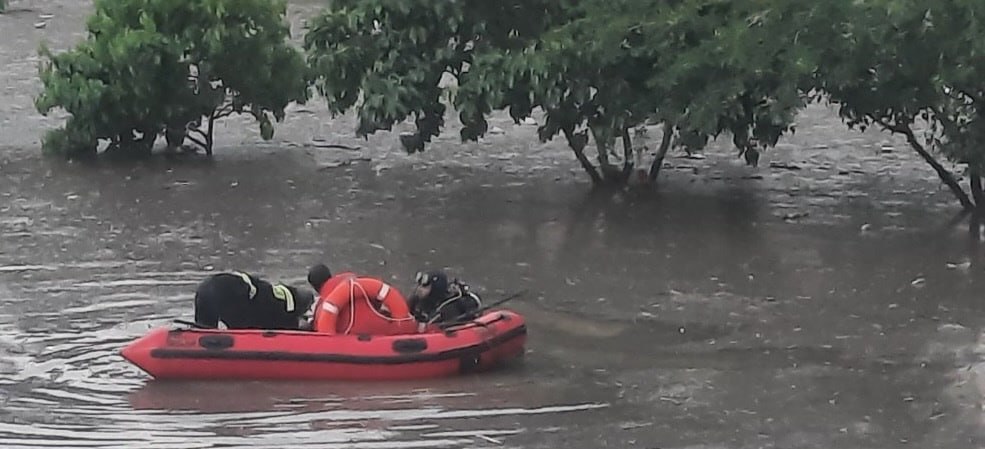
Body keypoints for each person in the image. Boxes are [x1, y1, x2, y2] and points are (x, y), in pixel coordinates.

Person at [305, 263, 417, 335]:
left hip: (356, 340)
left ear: (315, 287)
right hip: (384, 330)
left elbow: (321, 331)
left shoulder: (322, 305)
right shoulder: (356, 282)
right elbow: (378, 291)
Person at [193, 270, 316, 330]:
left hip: (205, 288)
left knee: (203, 332)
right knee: (241, 334)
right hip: (226, 293)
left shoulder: (272, 291)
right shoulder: (282, 307)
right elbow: (279, 326)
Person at [407, 270, 482, 325]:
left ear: (435, 288)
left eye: (425, 286)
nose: (419, 289)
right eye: (419, 285)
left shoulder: (447, 308)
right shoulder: (416, 300)